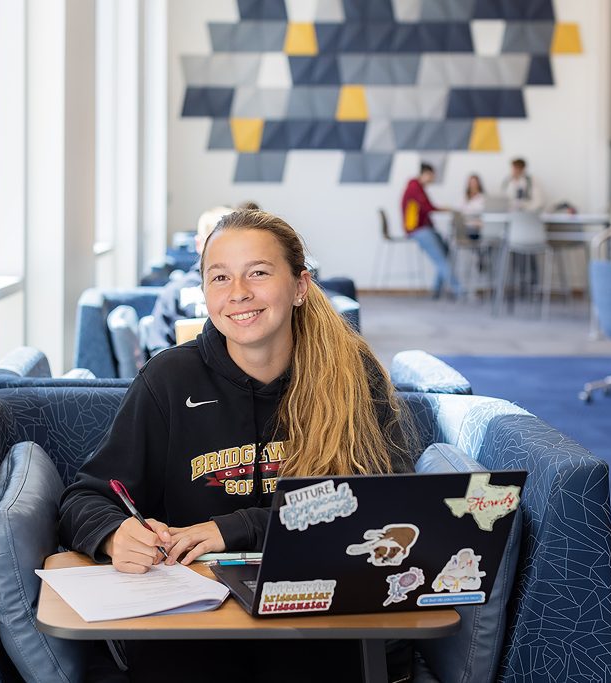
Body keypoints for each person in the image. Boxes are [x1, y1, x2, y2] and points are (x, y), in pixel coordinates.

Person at [60, 209, 416, 682]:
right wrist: (112, 533)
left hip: (318, 622)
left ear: (300, 286)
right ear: (203, 291)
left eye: (259, 273)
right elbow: (84, 498)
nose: (238, 293)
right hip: (191, 626)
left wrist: (236, 527)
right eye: (220, 277)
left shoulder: (353, 376)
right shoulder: (168, 378)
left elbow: (393, 509)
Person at [143, 206, 232, 355]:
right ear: (199, 244)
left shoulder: (244, 289)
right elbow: (158, 347)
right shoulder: (176, 292)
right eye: (214, 242)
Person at [400, 162, 462, 298]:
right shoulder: (414, 188)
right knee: (441, 260)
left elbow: (426, 208)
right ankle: (460, 291)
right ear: (427, 174)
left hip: (424, 228)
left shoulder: (418, 187)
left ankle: (437, 291)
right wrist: (445, 209)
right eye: (432, 176)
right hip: (417, 230)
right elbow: (428, 208)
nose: (433, 179)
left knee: (445, 251)